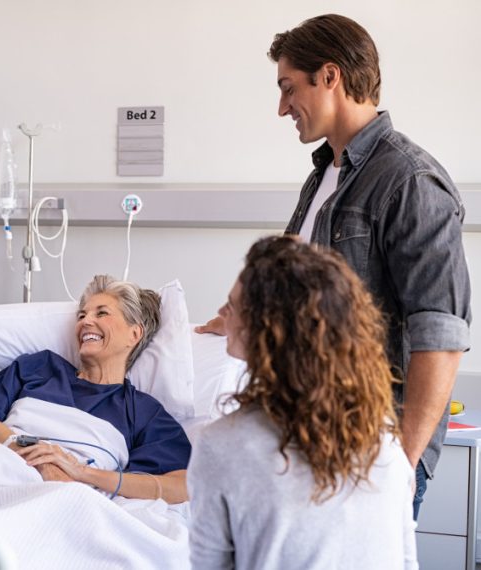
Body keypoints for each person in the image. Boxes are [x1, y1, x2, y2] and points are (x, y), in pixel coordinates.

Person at [196, 13, 471, 518]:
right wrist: (240, 316)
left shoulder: (409, 181)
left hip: (373, 446)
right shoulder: (325, 176)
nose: (282, 109)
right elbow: (297, 294)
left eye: (287, 88)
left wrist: (404, 465)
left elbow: (440, 334)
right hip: (310, 436)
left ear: (329, 76)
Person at [188, 236, 417, 569]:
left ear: (267, 332)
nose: (222, 313)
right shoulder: (384, 441)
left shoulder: (223, 445)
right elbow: (407, 562)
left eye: (232, 306)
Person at [0, 275, 191, 504]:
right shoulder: (39, 367)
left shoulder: (144, 411)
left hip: (61, 498)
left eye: (101, 313)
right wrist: (44, 461)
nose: (85, 322)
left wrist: (82, 472)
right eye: (82, 315)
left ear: (134, 334)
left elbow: (183, 486)